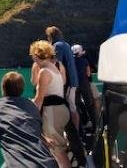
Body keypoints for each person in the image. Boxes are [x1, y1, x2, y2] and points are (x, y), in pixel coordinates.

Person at [0, 71, 58, 168]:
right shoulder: (32, 106)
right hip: (49, 163)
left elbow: (10, 134)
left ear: (3, 88)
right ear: (22, 89)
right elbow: (27, 130)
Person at [45, 26, 87, 166]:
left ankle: (73, 133)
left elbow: (56, 64)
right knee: (73, 107)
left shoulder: (57, 45)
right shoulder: (66, 44)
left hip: (68, 83)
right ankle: (75, 132)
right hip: (74, 81)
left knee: (71, 108)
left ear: (51, 36)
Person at [30, 40, 71, 168]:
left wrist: (30, 115)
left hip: (52, 112)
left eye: (32, 55)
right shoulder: (54, 67)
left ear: (36, 55)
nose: (32, 58)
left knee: (56, 150)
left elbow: (39, 98)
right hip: (61, 110)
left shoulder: (44, 72)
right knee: (58, 148)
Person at [71, 44, 97, 135]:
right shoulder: (85, 61)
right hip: (84, 84)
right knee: (90, 105)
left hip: (75, 85)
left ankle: (80, 129)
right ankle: (95, 127)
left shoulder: (71, 62)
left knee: (76, 106)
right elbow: (88, 74)